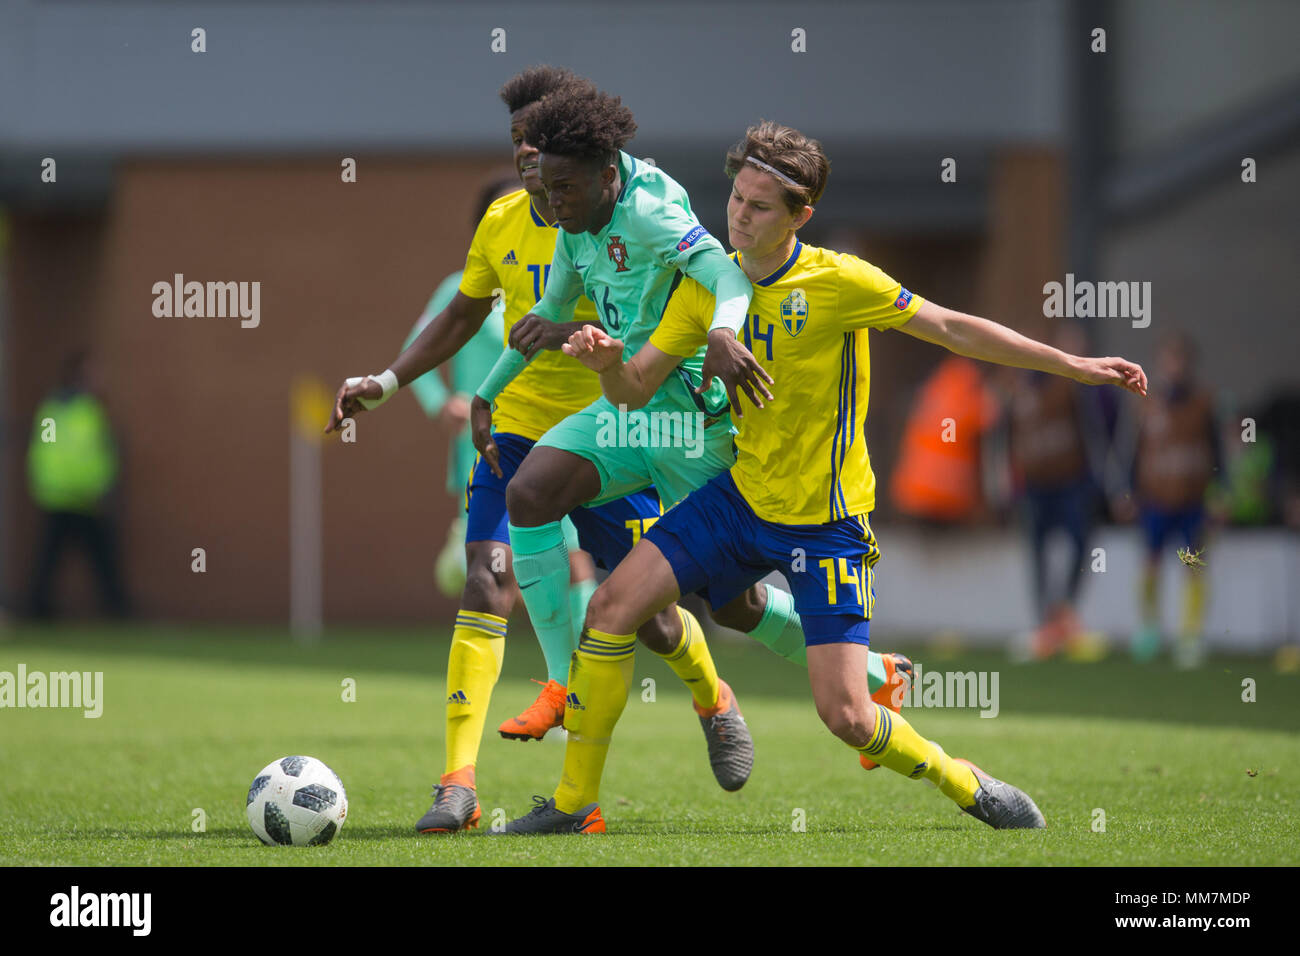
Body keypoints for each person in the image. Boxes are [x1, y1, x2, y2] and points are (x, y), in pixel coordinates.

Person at [497, 120, 1146, 834]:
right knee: (612, 609)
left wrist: (1076, 365)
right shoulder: (700, 290)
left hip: (826, 522)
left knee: (846, 717)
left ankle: (966, 782)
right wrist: (606, 364)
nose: (738, 216)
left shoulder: (838, 281)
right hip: (738, 501)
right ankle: (572, 805)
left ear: (801, 216)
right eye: (737, 199)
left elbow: (953, 327)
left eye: (760, 207)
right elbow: (633, 391)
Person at [1109, 333, 1219, 667]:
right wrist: (1126, 493)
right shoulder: (1147, 404)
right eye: (1169, 361)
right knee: (1150, 564)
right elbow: (1133, 452)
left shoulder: (1203, 404)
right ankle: (1149, 631)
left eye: (1179, 361)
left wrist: (1220, 492)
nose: (1174, 368)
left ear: (1188, 365)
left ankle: (1190, 635)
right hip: (1154, 499)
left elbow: (1218, 454)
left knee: (1193, 566)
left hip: (1191, 499)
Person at [1005, 323, 1110, 658]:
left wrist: (1105, 483)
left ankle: (1065, 616)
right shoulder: (1025, 388)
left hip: (1073, 482)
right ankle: (1046, 626)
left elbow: (1100, 434)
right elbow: (1007, 439)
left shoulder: (1085, 390)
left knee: (1080, 544)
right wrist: (1007, 486)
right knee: (1038, 554)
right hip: (1036, 486)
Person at [28, 350, 129, 619]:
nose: (100, 378)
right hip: (71, 497)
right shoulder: (84, 412)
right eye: (93, 372)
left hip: (75, 496)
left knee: (86, 558)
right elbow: (48, 451)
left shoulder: (59, 410)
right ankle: (115, 609)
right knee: (74, 559)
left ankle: (41, 608)